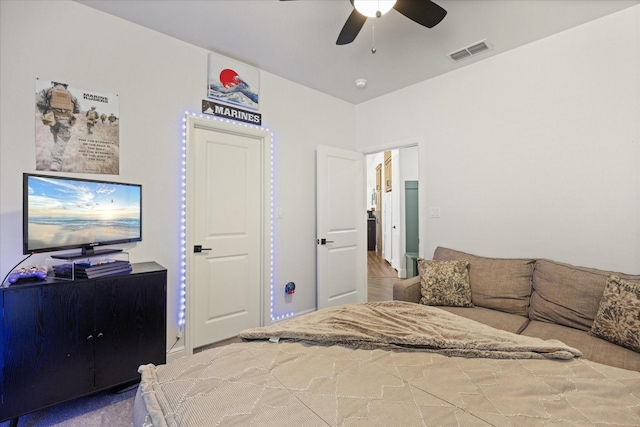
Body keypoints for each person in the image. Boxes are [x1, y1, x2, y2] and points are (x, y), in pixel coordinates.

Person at [35, 81, 81, 171]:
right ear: (66, 85)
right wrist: (68, 111)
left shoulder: (48, 90)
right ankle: (55, 163)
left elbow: (39, 101)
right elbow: (78, 109)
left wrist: (47, 110)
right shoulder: (71, 95)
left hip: (52, 119)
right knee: (62, 141)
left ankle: (55, 154)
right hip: (66, 121)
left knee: (57, 138)